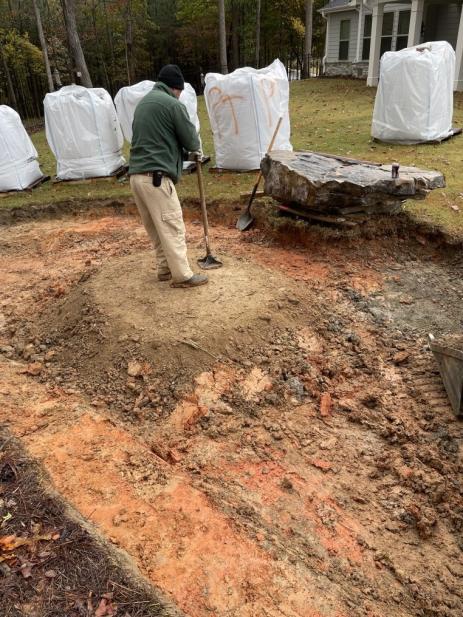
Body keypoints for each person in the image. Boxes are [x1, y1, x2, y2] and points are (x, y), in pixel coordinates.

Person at [129, 64, 208, 288]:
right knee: (172, 225)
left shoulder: (143, 104)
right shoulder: (173, 105)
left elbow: (157, 138)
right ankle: (182, 275)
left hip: (136, 176)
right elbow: (192, 141)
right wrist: (193, 151)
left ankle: (164, 269)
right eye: (180, 91)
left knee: (155, 227)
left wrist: (177, 151)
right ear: (175, 88)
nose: (180, 95)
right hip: (156, 178)